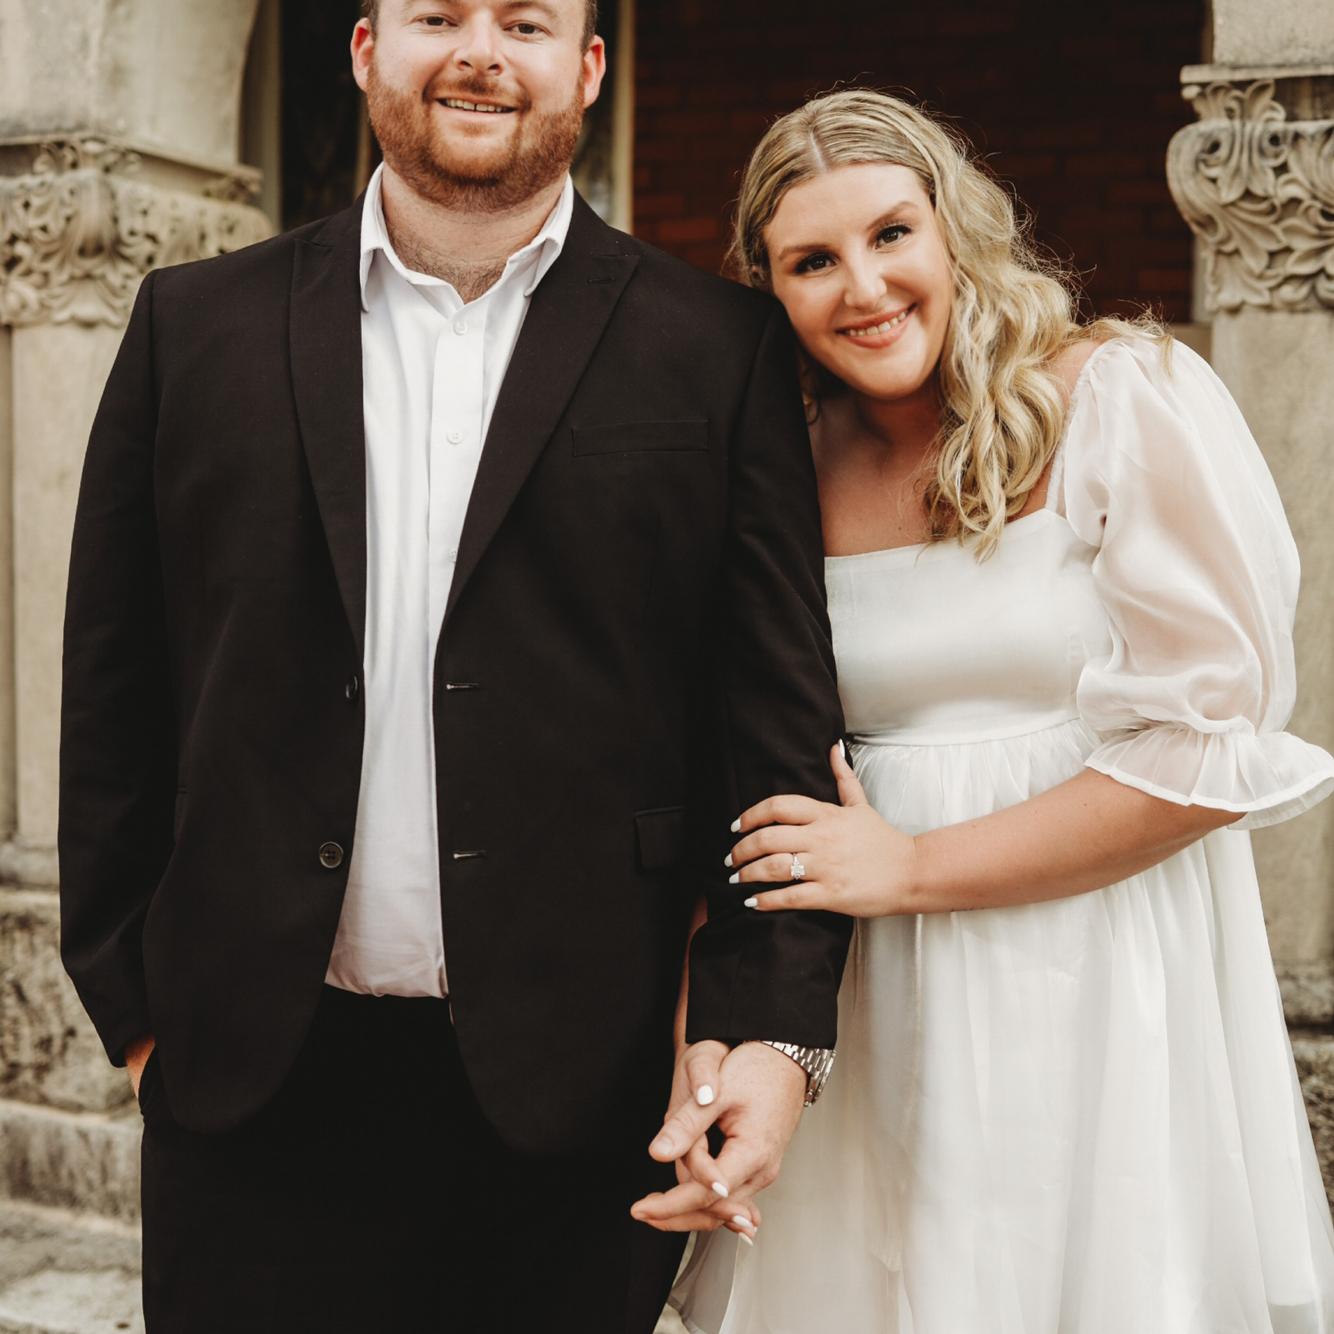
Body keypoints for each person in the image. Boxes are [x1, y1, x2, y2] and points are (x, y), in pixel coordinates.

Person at [57, 4, 852, 1330]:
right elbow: (112, 685)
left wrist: (770, 1026)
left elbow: (772, 729)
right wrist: (135, 1011)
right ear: (366, 49)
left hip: (582, 1092)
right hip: (248, 1085)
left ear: (585, 69)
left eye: (526, 22)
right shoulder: (191, 324)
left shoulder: (719, 349)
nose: (481, 52)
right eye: (439, 15)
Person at [670, 89, 1334, 1334]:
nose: (863, 287)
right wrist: (719, 1023)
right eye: (811, 261)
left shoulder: (1119, 394)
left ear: (952, 227)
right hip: (869, 992)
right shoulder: (781, 462)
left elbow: (1200, 756)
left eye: (890, 234)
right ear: (768, 289)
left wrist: (912, 863)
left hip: (1092, 968)